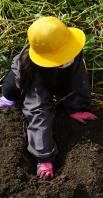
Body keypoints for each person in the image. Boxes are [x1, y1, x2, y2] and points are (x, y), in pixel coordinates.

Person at [0, 16, 97, 179]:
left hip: (56, 76)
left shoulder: (72, 47)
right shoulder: (31, 70)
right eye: (62, 55)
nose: (68, 56)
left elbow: (78, 78)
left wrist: (77, 108)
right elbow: (37, 110)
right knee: (10, 89)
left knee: (67, 79)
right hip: (28, 80)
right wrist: (44, 158)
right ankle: (9, 100)